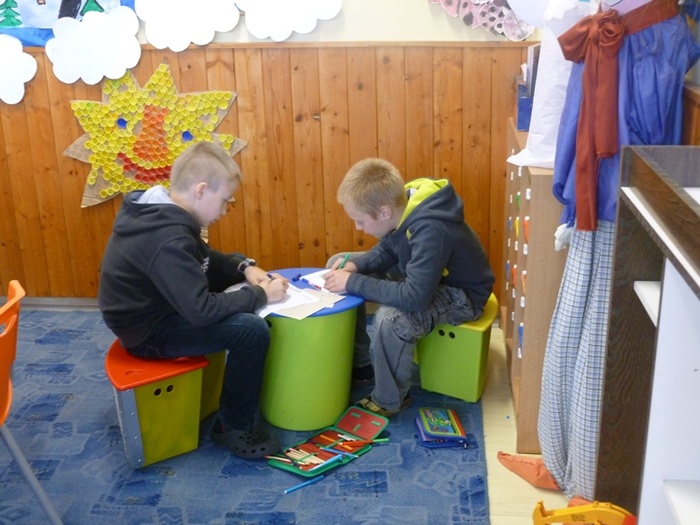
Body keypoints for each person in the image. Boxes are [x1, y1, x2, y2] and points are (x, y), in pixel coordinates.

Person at [98, 141, 290, 459]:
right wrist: (259, 295)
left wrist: (244, 267)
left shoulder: (163, 213)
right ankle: (233, 427)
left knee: (233, 278)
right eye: (225, 200)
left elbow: (205, 259)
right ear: (201, 190)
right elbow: (201, 311)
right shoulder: (167, 237)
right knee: (250, 331)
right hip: (148, 332)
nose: (225, 210)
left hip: (158, 308)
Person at [323, 158, 495, 417]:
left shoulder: (431, 229)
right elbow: (388, 248)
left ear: (384, 212)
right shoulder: (402, 205)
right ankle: (362, 364)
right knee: (338, 263)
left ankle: (389, 400)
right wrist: (356, 267)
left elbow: (415, 298)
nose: (357, 227)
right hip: (427, 280)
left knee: (391, 320)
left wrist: (353, 282)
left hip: (461, 296)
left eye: (360, 221)